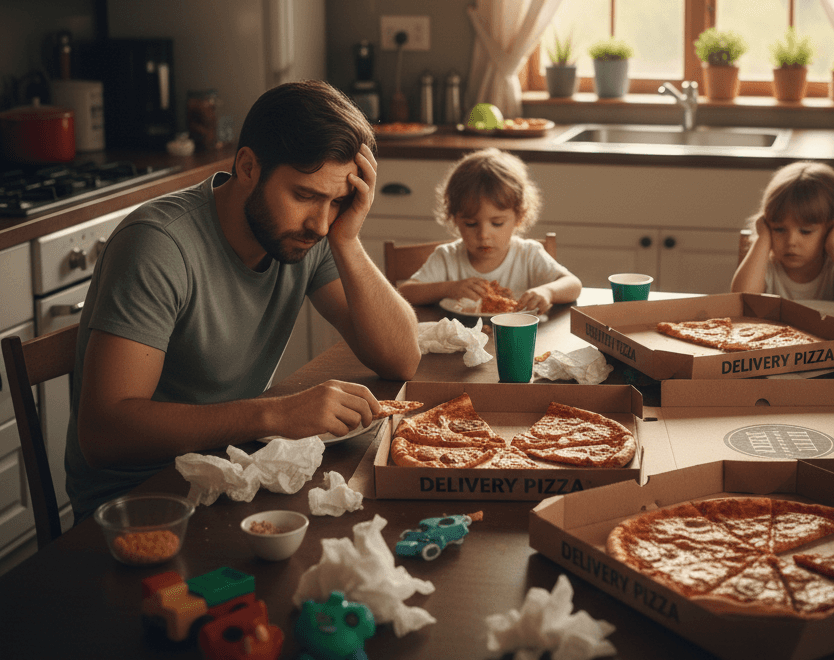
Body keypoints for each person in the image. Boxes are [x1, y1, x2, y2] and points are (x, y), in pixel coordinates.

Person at [66, 80, 421, 520]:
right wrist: (272, 414)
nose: (320, 223)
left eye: (338, 201)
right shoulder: (158, 245)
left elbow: (401, 359)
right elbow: (103, 435)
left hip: (234, 471)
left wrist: (348, 240)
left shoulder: (313, 233)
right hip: (141, 504)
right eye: (305, 195)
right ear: (248, 167)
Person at [396, 148, 582, 314]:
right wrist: (449, 289)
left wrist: (547, 292)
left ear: (519, 217)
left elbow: (573, 285)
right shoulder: (446, 258)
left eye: (497, 223)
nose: (483, 235)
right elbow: (404, 292)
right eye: (471, 224)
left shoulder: (528, 255)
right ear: (454, 219)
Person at [731, 160, 834, 311]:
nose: (791, 241)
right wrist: (763, 239)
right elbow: (742, 299)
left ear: (832, 229)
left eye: (805, 231)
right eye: (779, 229)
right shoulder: (766, 267)